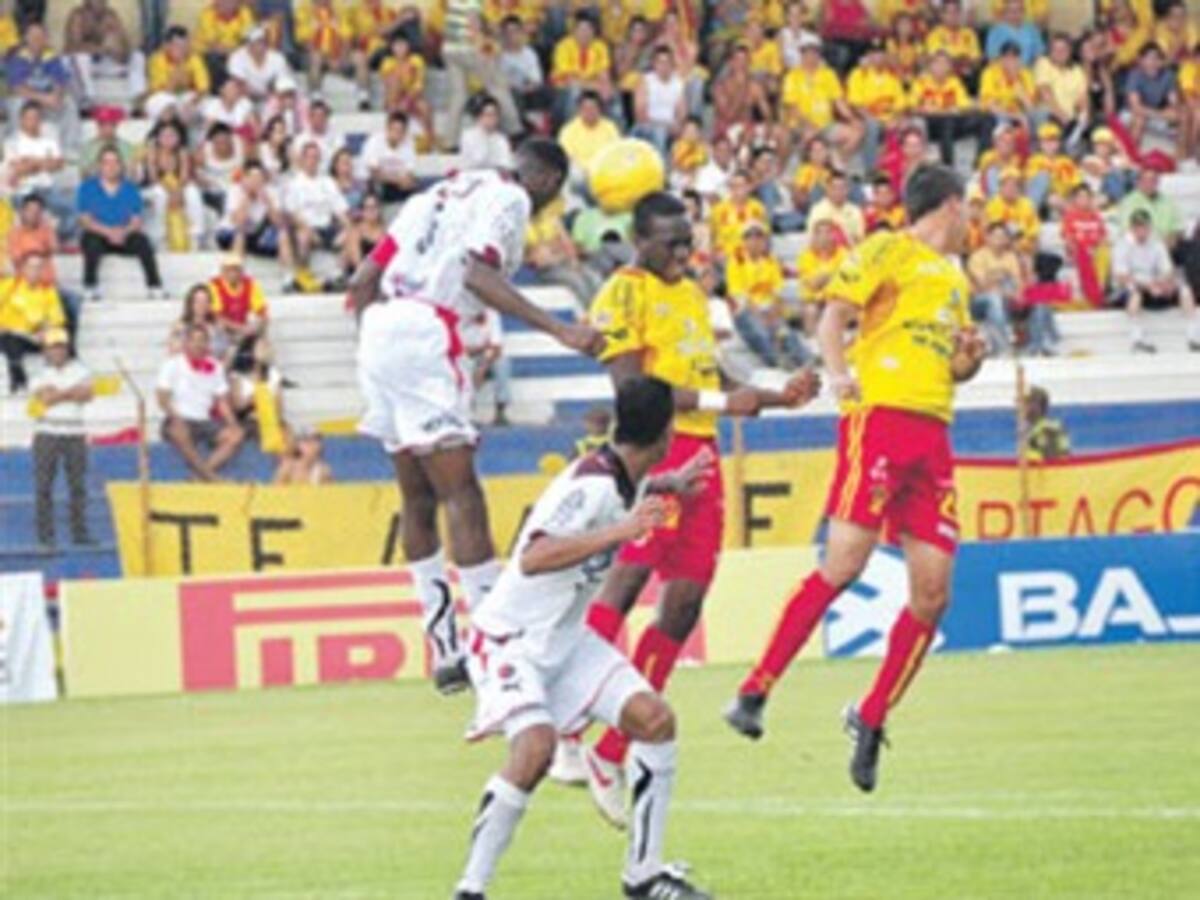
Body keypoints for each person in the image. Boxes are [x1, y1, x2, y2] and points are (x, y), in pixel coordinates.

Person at [725, 164, 989, 795]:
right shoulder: (884, 248)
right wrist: (839, 376)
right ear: (949, 205)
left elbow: (948, 366)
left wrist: (968, 363)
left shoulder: (955, 283)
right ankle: (756, 688)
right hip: (879, 424)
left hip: (932, 434)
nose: (970, 221)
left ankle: (871, 716)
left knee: (933, 594)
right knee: (843, 563)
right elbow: (832, 316)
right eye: (967, 209)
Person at [576, 192, 820, 825]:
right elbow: (633, 388)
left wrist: (776, 396)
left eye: (689, 241)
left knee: (682, 606)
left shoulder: (690, 296)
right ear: (641, 240)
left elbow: (715, 382)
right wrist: (720, 405)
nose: (685, 253)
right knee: (627, 582)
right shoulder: (623, 292)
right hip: (657, 453)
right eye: (671, 243)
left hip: (704, 459)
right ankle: (572, 723)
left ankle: (611, 747)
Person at [348, 139, 603, 694]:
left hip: (379, 330)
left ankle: (445, 650)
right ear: (547, 181)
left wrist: (377, 342)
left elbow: (361, 281)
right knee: (461, 493)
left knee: (416, 497)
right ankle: (494, 642)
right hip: (426, 334)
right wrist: (562, 330)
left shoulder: (434, 194)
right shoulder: (509, 198)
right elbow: (476, 275)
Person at [454, 376, 713, 900]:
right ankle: (470, 889)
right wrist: (622, 530)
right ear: (664, 432)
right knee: (535, 749)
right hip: (511, 640)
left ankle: (644, 876)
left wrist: (671, 483)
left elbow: (633, 491)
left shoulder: (628, 472)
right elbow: (534, 556)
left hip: (567, 643)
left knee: (654, 720)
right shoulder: (592, 484)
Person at [29, 327, 94, 548]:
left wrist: (59, 394)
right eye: (52, 347)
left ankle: (80, 532)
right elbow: (46, 398)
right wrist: (70, 393)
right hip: (47, 431)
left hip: (73, 432)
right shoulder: (40, 373)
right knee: (44, 486)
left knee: (77, 485)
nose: (57, 352)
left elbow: (86, 394)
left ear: (67, 349)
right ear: (45, 351)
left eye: (60, 347)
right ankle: (45, 537)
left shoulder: (81, 369)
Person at [157, 324, 245, 481]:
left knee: (236, 435)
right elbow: (162, 398)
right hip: (179, 417)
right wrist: (175, 416)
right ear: (186, 343)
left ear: (207, 343)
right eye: (194, 340)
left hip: (204, 421)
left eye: (202, 340)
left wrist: (232, 423)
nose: (198, 344)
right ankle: (211, 477)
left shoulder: (216, 366)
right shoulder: (172, 365)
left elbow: (222, 401)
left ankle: (198, 476)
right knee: (179, 432)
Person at [77, 148, 165, 301]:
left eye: (115, 162)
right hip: (100, 235)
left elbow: (136, 221)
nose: (111, 166)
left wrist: (123, 232)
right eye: (106, 162)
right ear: (99, 166)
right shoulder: (87, 188)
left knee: (142, 241)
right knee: (90, 241)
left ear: (121, 165)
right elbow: (85, 220)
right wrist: (109, 232)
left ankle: (154, 286)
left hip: (124, 235)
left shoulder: (130, 189)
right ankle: (90, 287)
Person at [1112, 210, 1200, 353]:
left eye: (1144, 227)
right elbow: (1120, 275)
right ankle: (1137, 339)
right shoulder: (1122, 245)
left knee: (1185, 289)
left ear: (1149, 227)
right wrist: (1148, 285)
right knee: (1135, 294)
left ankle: (1193, 337)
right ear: (1132, 228)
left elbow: (1168, 269)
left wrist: (1164, 283)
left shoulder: (1156, 243)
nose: (1141, 231)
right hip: (1132, 286)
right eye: (1138, 227)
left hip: (1155, 285)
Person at [726, 220, 811, 368]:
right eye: (750, 237)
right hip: (746, 309)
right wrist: (760, 314)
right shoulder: (736, 261)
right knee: (758, 330)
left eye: (759, 236)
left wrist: (774, 311)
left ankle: (805, 358)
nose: (755, 241)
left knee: (784, 330)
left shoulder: (771, 260)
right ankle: (776, 360)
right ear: (744, 240)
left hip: (768, 307)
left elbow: (777, 292)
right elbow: (739, 296)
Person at [442, 0, 520, 149]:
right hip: (469, 48)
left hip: (449, 49)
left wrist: (489, 28)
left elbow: (463, 21)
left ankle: (450, 141)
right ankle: (514, 132)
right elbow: (473, 23)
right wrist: (483, 48)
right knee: (497, 86)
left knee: (459, 95)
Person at [283, 140, 352, 293]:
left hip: (327, 227)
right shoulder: (294, 184)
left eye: (316, 157)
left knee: (352, 232)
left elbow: (340, 210)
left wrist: (348, 228)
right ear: (302, 159)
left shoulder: (328, 182)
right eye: (309, 157)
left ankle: (339, 276)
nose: (313, 161)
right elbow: (291, 213)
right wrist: (308, 229)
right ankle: (301, 275)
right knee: (303, 236)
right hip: (306, 228)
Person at [3, 101, 73, 239]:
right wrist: (43, 162)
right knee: (26, 208)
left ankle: (59, 240)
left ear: (41, 120)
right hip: (22, 191)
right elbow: (18, 169)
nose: (33, 122)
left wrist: (31, 162)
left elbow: (58, 165)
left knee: (72, 209)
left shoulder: (49, 142)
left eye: (36, 118)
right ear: (21, 120)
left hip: (46, 189)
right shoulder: (11, 142)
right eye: (29, 118)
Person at [5, 23, 80, 152]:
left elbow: (60, 81)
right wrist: (44, 98)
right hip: (27, 99)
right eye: (33, 36)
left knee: (69, 103)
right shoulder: (18, 58)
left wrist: (56, 96)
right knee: (17, 104)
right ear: (26, 39)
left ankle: (69, 148)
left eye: (40, 36)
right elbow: (17, 88)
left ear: (46, 39)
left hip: (46, 100)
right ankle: (17, 146)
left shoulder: (51, 57)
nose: (36, 40)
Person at [63, 0, 146, 112]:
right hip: (82, 65)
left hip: (104, 62)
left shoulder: (111, 15)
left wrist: (117, 45)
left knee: (138, 56)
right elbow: (73, 47)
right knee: (81, 58)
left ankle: (137, 100)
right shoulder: (78, 15)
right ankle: (88, 102)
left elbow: (125, 47)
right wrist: (102, 48)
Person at [0, 253, 65, 394]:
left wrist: (46, 329)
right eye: (31, 267)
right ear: (23, 269)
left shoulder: (48, 290)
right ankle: (19, 378)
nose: (35, 271)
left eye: (38, 267)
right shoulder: (9, 286)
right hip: (7, 334)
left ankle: (19, 379)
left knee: (57, 339)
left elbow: (57, 317)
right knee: (10, 339)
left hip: (34, 336)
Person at [215, 161, 290, 265]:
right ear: (245, 179)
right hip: (229, 232)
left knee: (284, 234)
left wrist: (268, 203)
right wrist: (247, 198)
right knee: (241, 233)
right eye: (252, 178)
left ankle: (287, 273)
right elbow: (238, 221)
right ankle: (237, 272)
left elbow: (278, 223)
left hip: (255, 234)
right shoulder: (235, 191)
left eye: (259, 179)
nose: (256, 182)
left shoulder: (270, 192)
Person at [967, 222, 1023, 354]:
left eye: (1003, 236)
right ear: (987, 238)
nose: (1000, 239)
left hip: (1004, 298)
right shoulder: (977, 257)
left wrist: (996, 280)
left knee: (1039, 305)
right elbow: (982, 285)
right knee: (994, 299)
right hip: (978, 303)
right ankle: (1002, 348)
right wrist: (1002, 276)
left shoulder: (1011, 257)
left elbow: (1017, 283)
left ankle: (1038, 347)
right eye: (996, 236)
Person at [209, 253, 268, 366]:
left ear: (241, 271)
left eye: (236, 269)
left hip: (244, 331)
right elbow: (216, 316)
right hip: (225, 331)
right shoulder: (214, 285)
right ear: (222, 271)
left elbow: (262, 312)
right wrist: (241, 329)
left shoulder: (250, 284)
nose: (233, 273)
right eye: (229, 270)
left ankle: (266, 375)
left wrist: (256, 327)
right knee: (219, 327)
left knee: (263, 336)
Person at [144, 26, 210, 125]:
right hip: (165, 96)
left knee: (209, 105)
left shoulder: (194, 58)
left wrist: (191, 103)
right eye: (178, 46)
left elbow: (203, 89)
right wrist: (179, 69)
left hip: (188, 96)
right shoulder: (157, 59)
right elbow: (162, 90)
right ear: (167, 45)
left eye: (186, 45)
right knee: (164, 104)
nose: (184, 49)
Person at [1123, 42, 1182, 152]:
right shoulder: (1135, 75)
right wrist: (1160, 114)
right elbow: (1136, 107)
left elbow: (1174, 102)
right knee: (1140, 118)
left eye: (1157, 58)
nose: (1153, 63)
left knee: (1180, 115)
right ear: (1141, 60)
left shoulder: (1168, 75)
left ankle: (1183, 156)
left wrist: (1172, 110)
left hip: (1153, 112)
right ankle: (1130, 155)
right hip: (1130, 113)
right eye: (1149, 58)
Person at [631, 46, 686, 158]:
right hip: (646, 127)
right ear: (654, 64)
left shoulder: (678, 82)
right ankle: (660, 168)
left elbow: (682, 112)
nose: (664, 66)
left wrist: (677, 125)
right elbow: (640, 115)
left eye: (667, 62)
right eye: (660, 62)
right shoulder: (645, 81)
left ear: (672, 64)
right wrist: (664, 125)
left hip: (670, 127)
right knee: (659, 133)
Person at [294, 0, 353, 98]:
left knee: (359, 57)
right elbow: (303, 42)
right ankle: (316, 96)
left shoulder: (339, 8)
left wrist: (341, 57)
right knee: (316, 58)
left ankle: (363, 97)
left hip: (337, 54)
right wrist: (326, 58)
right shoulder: (304, 9)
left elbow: (347, 37)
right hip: (312, 54)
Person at [558, 90, 622, 178]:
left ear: (600, 109)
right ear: (579, 110)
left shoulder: (610, 127)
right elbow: (567, 156)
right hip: (581, 173)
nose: (589, 112)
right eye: (585, 108)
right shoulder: (568, 130)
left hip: (605, 170)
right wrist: (587, 169)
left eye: (593, 108)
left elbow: (616, 151)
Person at [194, 0, 255, 89]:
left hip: (234, 53)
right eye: (223, 1)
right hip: (208, 54)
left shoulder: (245, 12)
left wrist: (235, 53)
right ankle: (216, 94)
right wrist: (232, 52)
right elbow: (214, 45)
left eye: (232, 1)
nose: (227, 4)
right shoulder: (207, 13)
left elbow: (248, 39)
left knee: (246, 58)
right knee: (215, 59)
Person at [360, 111, 418, 204]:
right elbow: (374, 173)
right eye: (394, 130)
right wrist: (397, 180)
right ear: (387, 128)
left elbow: (409, 173)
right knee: (379, 187)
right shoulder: (374, 141)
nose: (397, 134)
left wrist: (408, 181)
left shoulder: (409, 145)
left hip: (397, 185)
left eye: (401, 131)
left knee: (414, 189)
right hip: (375, 183)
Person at [227, 25, 290, 102]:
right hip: (246, 96)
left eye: (262, 41)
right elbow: (239, 83)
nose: (260, 46)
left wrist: (270, 97)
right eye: (256, 42)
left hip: (272, 97)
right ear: (248, 44)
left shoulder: (278, 58)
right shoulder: (236, 57)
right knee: (231, 88)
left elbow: (282, 83)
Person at [460, 96, 515, 171]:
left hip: (496, 177)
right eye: (488, 115)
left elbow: (507, 163)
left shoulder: (501, 138)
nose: (492, 118)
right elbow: (475, 163)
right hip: (473, 177)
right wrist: (485, 136)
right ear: (479, 116)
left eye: (495, 115)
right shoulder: (468, 136)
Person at [1023, 385, 1070, 461]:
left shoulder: (1049, 429)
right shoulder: (1030, 429)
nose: (1022, 407)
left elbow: (1054, 460)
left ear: (1036, 406)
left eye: (1027, 403)